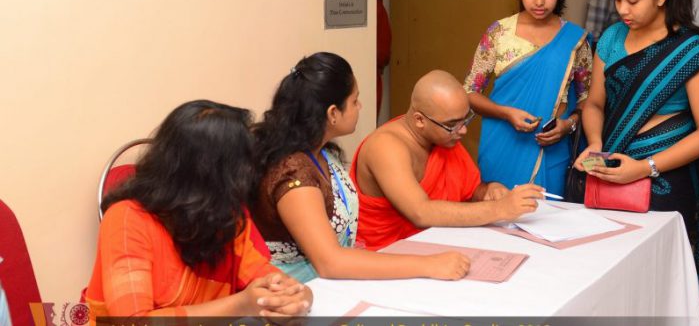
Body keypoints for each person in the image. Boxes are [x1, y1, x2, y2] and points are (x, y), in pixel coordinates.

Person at [575, 0, 699, 325]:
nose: (622, 10)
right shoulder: (611, 38)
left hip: (665, 181)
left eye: (632, 1)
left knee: (656, 284)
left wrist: (645, 167)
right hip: (610, 171)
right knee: (610, 278)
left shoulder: (690, 51)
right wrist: (595, 143)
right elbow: (594, 103)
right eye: (617, 0)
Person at [250, 52, 470, 283]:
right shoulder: (293, 174)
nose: (360, 106)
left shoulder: (322, 151)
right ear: (333, 113)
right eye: (354, 101)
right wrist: (429, 264)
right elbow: (331, 263)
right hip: (293, 288)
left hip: (332, 277)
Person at [85, 100, 312, 319]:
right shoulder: (127, 219)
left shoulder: (227, 216)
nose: (249, 174)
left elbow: (272, 281)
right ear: (212, 176)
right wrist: (241, 304)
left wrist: (297, 298)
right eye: (242, 167)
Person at [352, 70, 544, 251]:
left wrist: (489, 190)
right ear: (420, 120)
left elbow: (470, 190)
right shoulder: (386, 147)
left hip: (436, 242)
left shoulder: (442, 138)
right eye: (452, 124)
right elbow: (421, 213)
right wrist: (499, 209)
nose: (463, 130)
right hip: (384, 254)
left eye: (465, 120)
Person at [465, 0, 592, 196]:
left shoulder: (575, 40)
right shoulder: (499, 33)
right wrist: (506, 113)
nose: (539, 2)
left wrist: (568, 125)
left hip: (552, 150)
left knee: (550, 215)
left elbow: (587, 98)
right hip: (502, 145)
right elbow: (470, 92)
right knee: (499, 210)